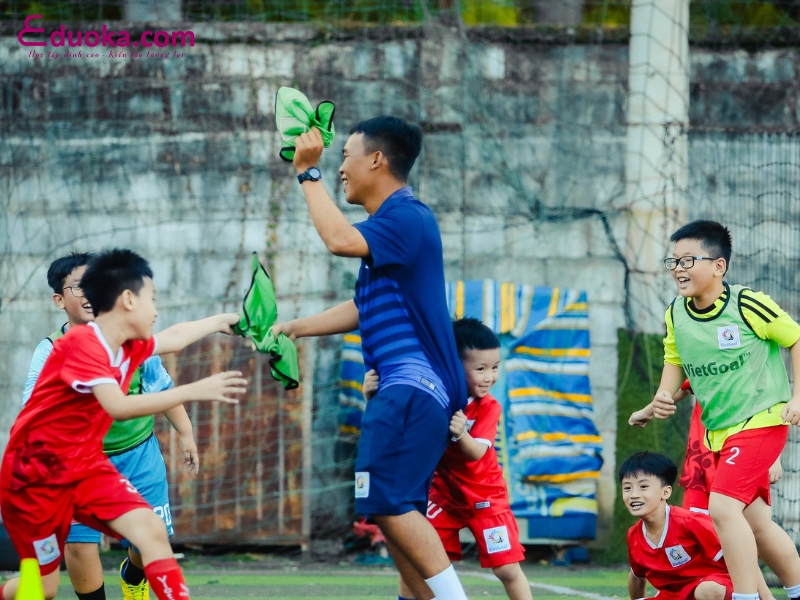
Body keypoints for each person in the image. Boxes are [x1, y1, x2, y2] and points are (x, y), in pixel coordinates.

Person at [272, 116, 469, 599]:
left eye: (345, 156)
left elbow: (339, 240)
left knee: (389, 503)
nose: (339, 167)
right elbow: (365, 307)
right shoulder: (391, 228)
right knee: (390, 507)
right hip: (406, 388)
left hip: (410, 385)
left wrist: (307, 173)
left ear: (377, 160)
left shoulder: (407, 215)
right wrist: (295, 328)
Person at [0, 249, 247, 600]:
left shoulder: (126, 344)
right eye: (153, 299)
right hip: (37, 475)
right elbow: (117, 406)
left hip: (83, 464)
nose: (157, 310)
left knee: (151, 532)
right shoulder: (81, 344)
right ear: (128, 300)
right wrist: (197, 390)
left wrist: (225, 320)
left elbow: (175, 338)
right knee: (43, 588)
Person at [631, 220, 800, 600]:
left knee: (721, 510)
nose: (677, 268)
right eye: (672, 261)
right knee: (755, 523)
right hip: (715, 435)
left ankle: (743, 598)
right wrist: (659, 396)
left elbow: (796, 337)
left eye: (687, 260)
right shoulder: (677, 313)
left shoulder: (746, 303)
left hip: (762, 421)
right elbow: (675, 360)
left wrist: (797, 397)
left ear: (718, 267)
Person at [364, 318, 531, 600]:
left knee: (506, 570)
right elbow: (395, 429)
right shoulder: (432, 398)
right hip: (443, 499)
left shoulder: (489, 406)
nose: (490, 376)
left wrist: (460, 435)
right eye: (480, 369)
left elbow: (477, 452)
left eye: (495, 367)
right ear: (452, 365)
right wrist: (373, 398)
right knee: (418, 563)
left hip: (485, 499)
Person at [630, 381, 782, 515]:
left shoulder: (750, 360)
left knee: (754, 530)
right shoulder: (702, 357)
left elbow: (772, 400)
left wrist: (774, 456)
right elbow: (684, 388)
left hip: (744, 459)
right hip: (702, 462)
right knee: (696, 530)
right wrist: (647, 412)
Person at [620, 451, 733, 600]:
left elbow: (740, 553)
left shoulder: (691, 522)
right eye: (627, 488)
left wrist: (759, 594)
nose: (634, 494)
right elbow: (636, 576)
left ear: (665, 492)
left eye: (643, 487)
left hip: (715, 587)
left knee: (707, 591)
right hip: (673, 596)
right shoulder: (634, 535)